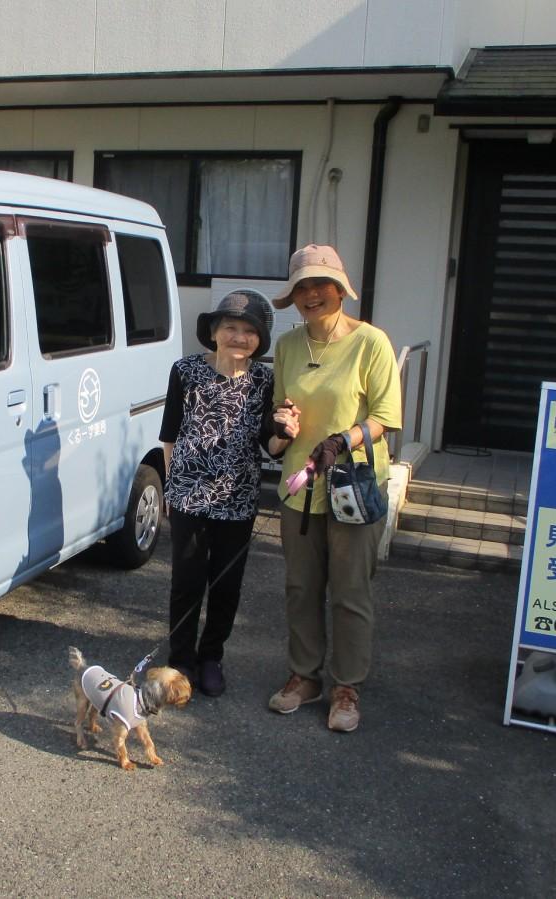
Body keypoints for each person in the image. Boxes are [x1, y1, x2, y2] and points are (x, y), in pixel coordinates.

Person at [266, 244, 402, 732]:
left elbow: (386, 417)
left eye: (320, 284)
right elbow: (283, 414)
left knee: (349, 593)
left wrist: (343, 439)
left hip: (353, 486)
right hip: (299, 487)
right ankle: (304, 677)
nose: (311, 294)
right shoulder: (286, 346)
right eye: (301, 287)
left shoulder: (371, 342)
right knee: (301, 588)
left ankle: (347, 686)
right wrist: (284, 423)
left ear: (340, 289)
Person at [159, 290, 293, 697]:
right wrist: (170, 487)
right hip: (188, 496)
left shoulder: (264, 380)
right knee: (187, 581)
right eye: (231, 327)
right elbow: (169, 436)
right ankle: (181, 660)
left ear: (259, 339)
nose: (239, 336)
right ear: (214, 332)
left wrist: (287, 432)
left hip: (237, 499)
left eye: (249, 331)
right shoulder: (184, 371)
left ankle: (211, 656)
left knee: (226, 585)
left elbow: (270, 446)